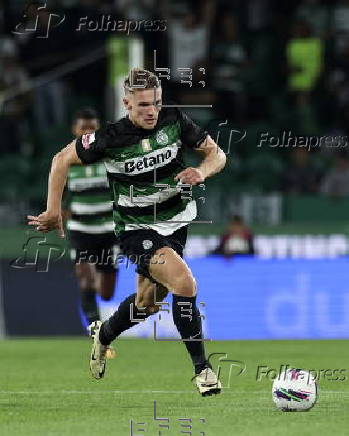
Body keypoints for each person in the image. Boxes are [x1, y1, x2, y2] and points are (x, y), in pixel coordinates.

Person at [27, 68, 226, 396]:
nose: (152, 111)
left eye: (157, 103)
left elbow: (217, 154)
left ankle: (103, 336)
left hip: (177, 221)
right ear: (127, 104)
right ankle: (203, 370)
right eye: (144, 105)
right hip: (136, 228)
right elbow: (61, 159)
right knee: (185, 283)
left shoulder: (174, 120)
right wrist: (52, 210)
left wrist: (201, 172)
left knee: (148, 304)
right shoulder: (108, 138)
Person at [65, 108, 118, 343]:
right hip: (80, 230)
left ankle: (100, 300)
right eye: (83, 127)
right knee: (85, 280)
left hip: (108, 231)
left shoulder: (110, 157)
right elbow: (59, 195)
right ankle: (98, 334)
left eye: (92, 128)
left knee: (107, 294)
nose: (87, 132)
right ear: (74, 130)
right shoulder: (65, 160)